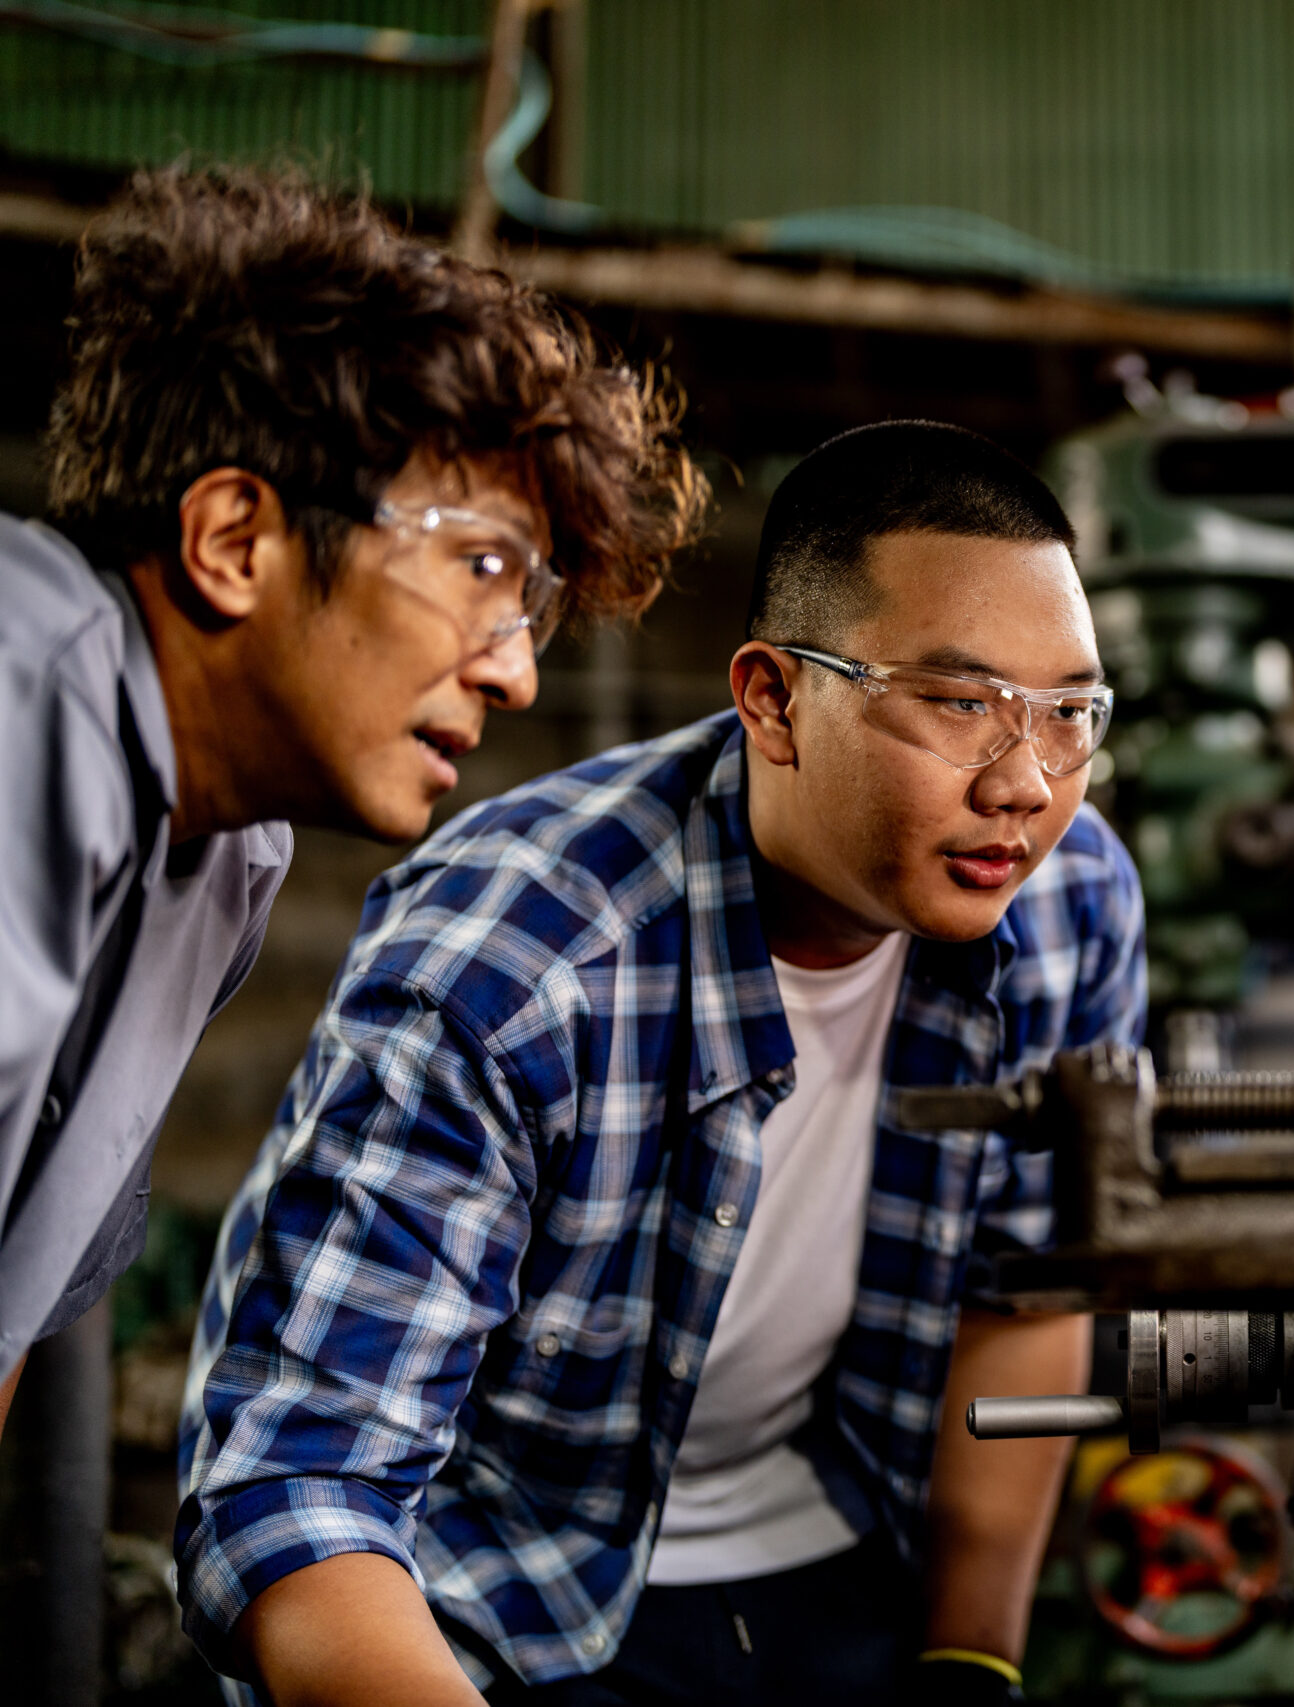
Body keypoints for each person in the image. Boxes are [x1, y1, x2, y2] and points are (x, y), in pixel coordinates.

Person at [179, 421, 1143, 1707]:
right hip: (480, 1591)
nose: (1024, 783)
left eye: (1068, 713)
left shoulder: (1071, 906)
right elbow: (301, 1490)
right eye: (961, 704)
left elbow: (1023, 1298)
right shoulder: (515, 962)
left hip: (830, 1542)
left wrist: (970, 1659)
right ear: (774, 701)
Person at [0, 166, 702, 1432]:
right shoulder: (18, 692)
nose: (517, 674)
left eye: (530, 606)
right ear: (235, 540)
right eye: (480, 566)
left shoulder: (227, 854)